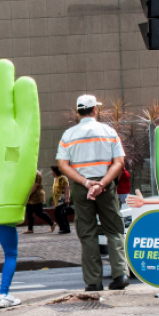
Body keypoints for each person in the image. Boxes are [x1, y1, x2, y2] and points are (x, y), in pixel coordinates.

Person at [56, 94, 128, 291]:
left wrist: (87, 183)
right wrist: (102, 183)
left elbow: (63, 165)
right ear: (95, 109)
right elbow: (119, 163)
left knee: (87, 233)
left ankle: (93, 281)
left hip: (81, 187)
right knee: (114, 229)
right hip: (106, 185)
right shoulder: (109, 132)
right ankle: (120, 274)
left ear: (78, 112)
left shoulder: (68, 135)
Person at [23, 169, 55, 234]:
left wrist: (28, 195)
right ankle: (30, 229)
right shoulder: (31, 172)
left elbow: (35, 185)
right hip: (31, 195)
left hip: (36, 195)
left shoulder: (36, 173)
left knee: (39, 212)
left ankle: (52, 223)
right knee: (29, 212)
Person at [51, 165, 71, 234]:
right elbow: (55, 190)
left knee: (61, 213)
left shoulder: (62, 178)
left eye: (52, 170)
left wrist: (67, 198)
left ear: (55, 171)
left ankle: (66, 228)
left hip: (62, 199)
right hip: (57, 199)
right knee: (58, 214)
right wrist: (53, 200)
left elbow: (66, 188)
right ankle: (63, 228)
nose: (51, 172)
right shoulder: (55, 178)